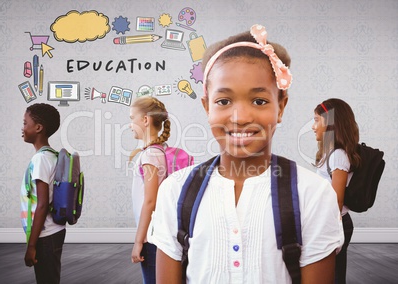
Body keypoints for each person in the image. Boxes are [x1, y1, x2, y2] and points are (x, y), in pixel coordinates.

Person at [150, 24, 343, 283]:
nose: (240, 117)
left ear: (281, 107)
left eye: (259, 101)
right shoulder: (174, 191)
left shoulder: (314, 194)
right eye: (224, 101)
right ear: (207, 107)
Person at [312, 98, 360, 284]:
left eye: (317, 120)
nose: (313, 126)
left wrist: (324, 226)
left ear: (330, 122)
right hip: (332, 221)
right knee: (332, 272)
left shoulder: (338, 155)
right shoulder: (330, 153)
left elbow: (336, 200)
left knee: (333, 275)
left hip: (336, 222)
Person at [20, 103, 65, 283]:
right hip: (54, 230)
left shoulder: (40, 159)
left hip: (45, 234)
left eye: (25, 123)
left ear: (38, 128)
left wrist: (31, 245)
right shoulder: (52, 155)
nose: (22, 128)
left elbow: (42, 203)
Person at [129, 96, 171, 284]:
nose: (130, 124)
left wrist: (139, 241)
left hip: (151, 237)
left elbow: (150, 201)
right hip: (154, 233)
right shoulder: (156, 151)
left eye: (132, 118)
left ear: (145, 120)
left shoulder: (151, 154)